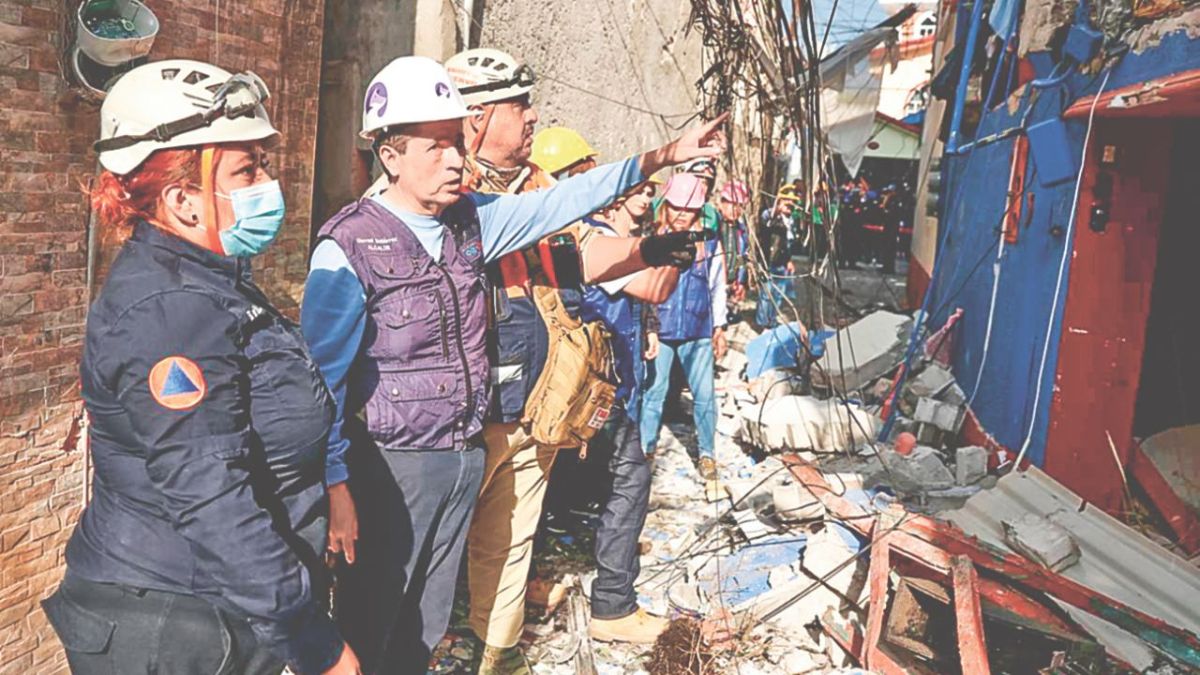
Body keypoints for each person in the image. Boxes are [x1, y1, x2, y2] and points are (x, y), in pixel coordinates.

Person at [300, 55, 724, 674]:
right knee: (373, 616)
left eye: (454, 142)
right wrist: (335, 482)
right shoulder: (352, 243)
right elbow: (321, 379)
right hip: (390, 464)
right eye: (435, 144)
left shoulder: (469, 226)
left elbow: (568, 205)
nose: (453, 157)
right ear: (390, 154)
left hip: (464, 450)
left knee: (426, 620)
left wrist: (660, 159)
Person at [45, 60, 358, 675]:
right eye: (248, 169)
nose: (267, 182)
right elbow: (211, 497)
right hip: (175, 622)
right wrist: (315, 645)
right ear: (184, 200)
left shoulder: (209, 281)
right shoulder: (170, 311)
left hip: (218, 607)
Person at [444, 51, 697, 674]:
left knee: (509, 540)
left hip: (532, 405)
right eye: (519, 105)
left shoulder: (537, 187)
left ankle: (497, 655)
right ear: (476, 116)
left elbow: (588, 258)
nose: (532, 117)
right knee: (431, 543)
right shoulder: (439, 190)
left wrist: (659, 240)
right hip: (451, 412)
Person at [578, 176, 681, 646]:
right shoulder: (600, 242)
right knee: (630, 479)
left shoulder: (606, 240)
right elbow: (655, 286)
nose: (646, 200)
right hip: (600, 389)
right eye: (639, 192)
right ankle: (613, 604)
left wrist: (650, 326)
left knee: (577, 484)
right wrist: (679, 251)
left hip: (611, 382)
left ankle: (557, 572)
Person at [640, 173, 728, 481]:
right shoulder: (652, 241)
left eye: (689, 209)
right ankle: (645, 451)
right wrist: (648, 327)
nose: (681, 214)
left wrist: (720, 327)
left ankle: (707, 455)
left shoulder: (709, 245)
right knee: (654, 392)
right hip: (660, 330)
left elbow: (718, 287)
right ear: (666, 205)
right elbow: (645, 289)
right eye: (676, 206)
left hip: (698, 329)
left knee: (704, 395)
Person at [754, 187, 797, 329]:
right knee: (766, 294)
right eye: (786, 202)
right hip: (769, 261)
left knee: (778, 295)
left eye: (792, 203)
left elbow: (787, 244)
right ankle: (762, 323)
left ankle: (772, 322)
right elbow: (765, 218)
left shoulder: (790, 222)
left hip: (781, 264)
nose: (789, 205)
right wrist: (776, 210)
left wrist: (789, 260)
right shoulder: (772, 216)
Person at [717, 180, 750, 303]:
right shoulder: (715, 225)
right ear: (721, 203)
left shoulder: (741, 230)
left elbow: (742, 257)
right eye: (732, 204)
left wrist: (740, 281)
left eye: (740, 205)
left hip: (730, 282)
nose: (735, 209)